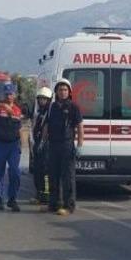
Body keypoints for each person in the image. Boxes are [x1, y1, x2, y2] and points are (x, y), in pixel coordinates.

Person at [43, 79, 83, 216]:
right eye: (60, 90)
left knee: (68, 177)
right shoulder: (52, 106)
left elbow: (79, 126)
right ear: (56, 92)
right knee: (53, 175)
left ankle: (68, 205)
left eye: (65, 89)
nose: (63, 92)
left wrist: (80, 145)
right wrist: (44, 141)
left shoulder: (73, 107)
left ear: (69, 92)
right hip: (53, 144)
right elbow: (47, 125)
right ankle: (54, 204)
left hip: (67, 144)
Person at [0, 83, 24, 212]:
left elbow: (20, 128)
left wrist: (21, 145)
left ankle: (12, 199)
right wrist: (3, 106)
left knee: (15, 172)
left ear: (15, 95)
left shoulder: (18, 110)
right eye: (7, 94)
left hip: (13, 145)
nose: (9, 96)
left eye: (11, 94)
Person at [29, 86, 54, 205]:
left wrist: (43, 143)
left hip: (46, 145)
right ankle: (39, 193)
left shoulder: (50, 113)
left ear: (49, 100)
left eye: (44, 99)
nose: (41, 101)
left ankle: (46, 195)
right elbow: (34, 127)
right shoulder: (39, 113)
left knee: (46, 171)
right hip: (38, 143)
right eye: (40, 99)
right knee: (37, 170)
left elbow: (47, 129)